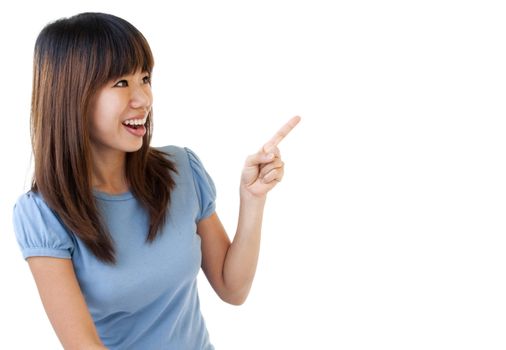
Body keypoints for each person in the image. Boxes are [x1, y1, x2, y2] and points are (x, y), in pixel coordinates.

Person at [12, 12, 300, 350]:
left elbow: (232, 288)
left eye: (144, 78)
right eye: (121, 83)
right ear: (72, 95)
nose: (143, 99)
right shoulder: (43, 214)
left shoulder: (181, 170)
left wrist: (253, 199)